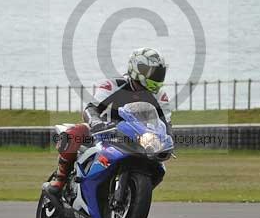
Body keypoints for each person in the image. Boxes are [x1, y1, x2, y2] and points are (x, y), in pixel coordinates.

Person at [43, 47, 172, 194]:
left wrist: (168, 139)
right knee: (75, 132)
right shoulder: (114, 85)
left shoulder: (160, 96)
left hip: (137, 137)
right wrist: (96, 122)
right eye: (152, 72)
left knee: (158, 166)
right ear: (137, 69)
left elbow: (166, 123)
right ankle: (60, 178)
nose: (156, 77)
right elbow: (91, 108)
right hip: (104, 132)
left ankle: (132, 194)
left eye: (159, 73)